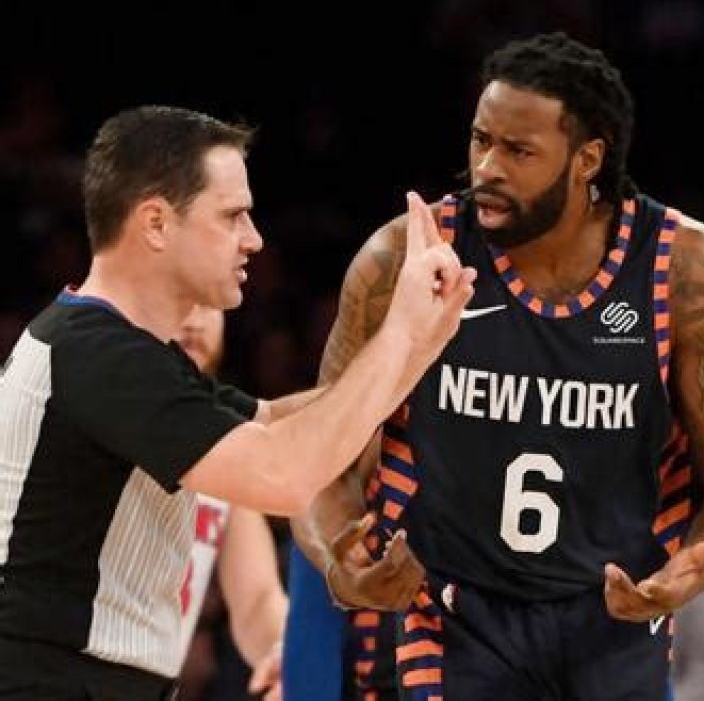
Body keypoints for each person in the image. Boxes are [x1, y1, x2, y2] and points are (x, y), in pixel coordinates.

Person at [291, 31, 704, 701]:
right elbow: (324, 460)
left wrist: (699, 562)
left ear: (588, 159)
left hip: (615, 616)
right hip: (456, 617)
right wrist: (336, 563)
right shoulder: (408, 259)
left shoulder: (686, 272)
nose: (487, 166)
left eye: (518, 151)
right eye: (480, 140)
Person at [0, 104, 476, 700]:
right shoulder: (97, 355)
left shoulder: (114, 349)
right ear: (155, 223)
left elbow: (272, 419)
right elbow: (284, 473)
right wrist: (399, 332)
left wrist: (421, 351)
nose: (254, 239)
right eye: (232, 216)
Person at [174, 305, 286, 701]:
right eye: (179, 295)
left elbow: (256, 599)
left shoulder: (226, 439)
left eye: (208, 301)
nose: (194, 319)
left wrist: (283, 651)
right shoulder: (80, 405)